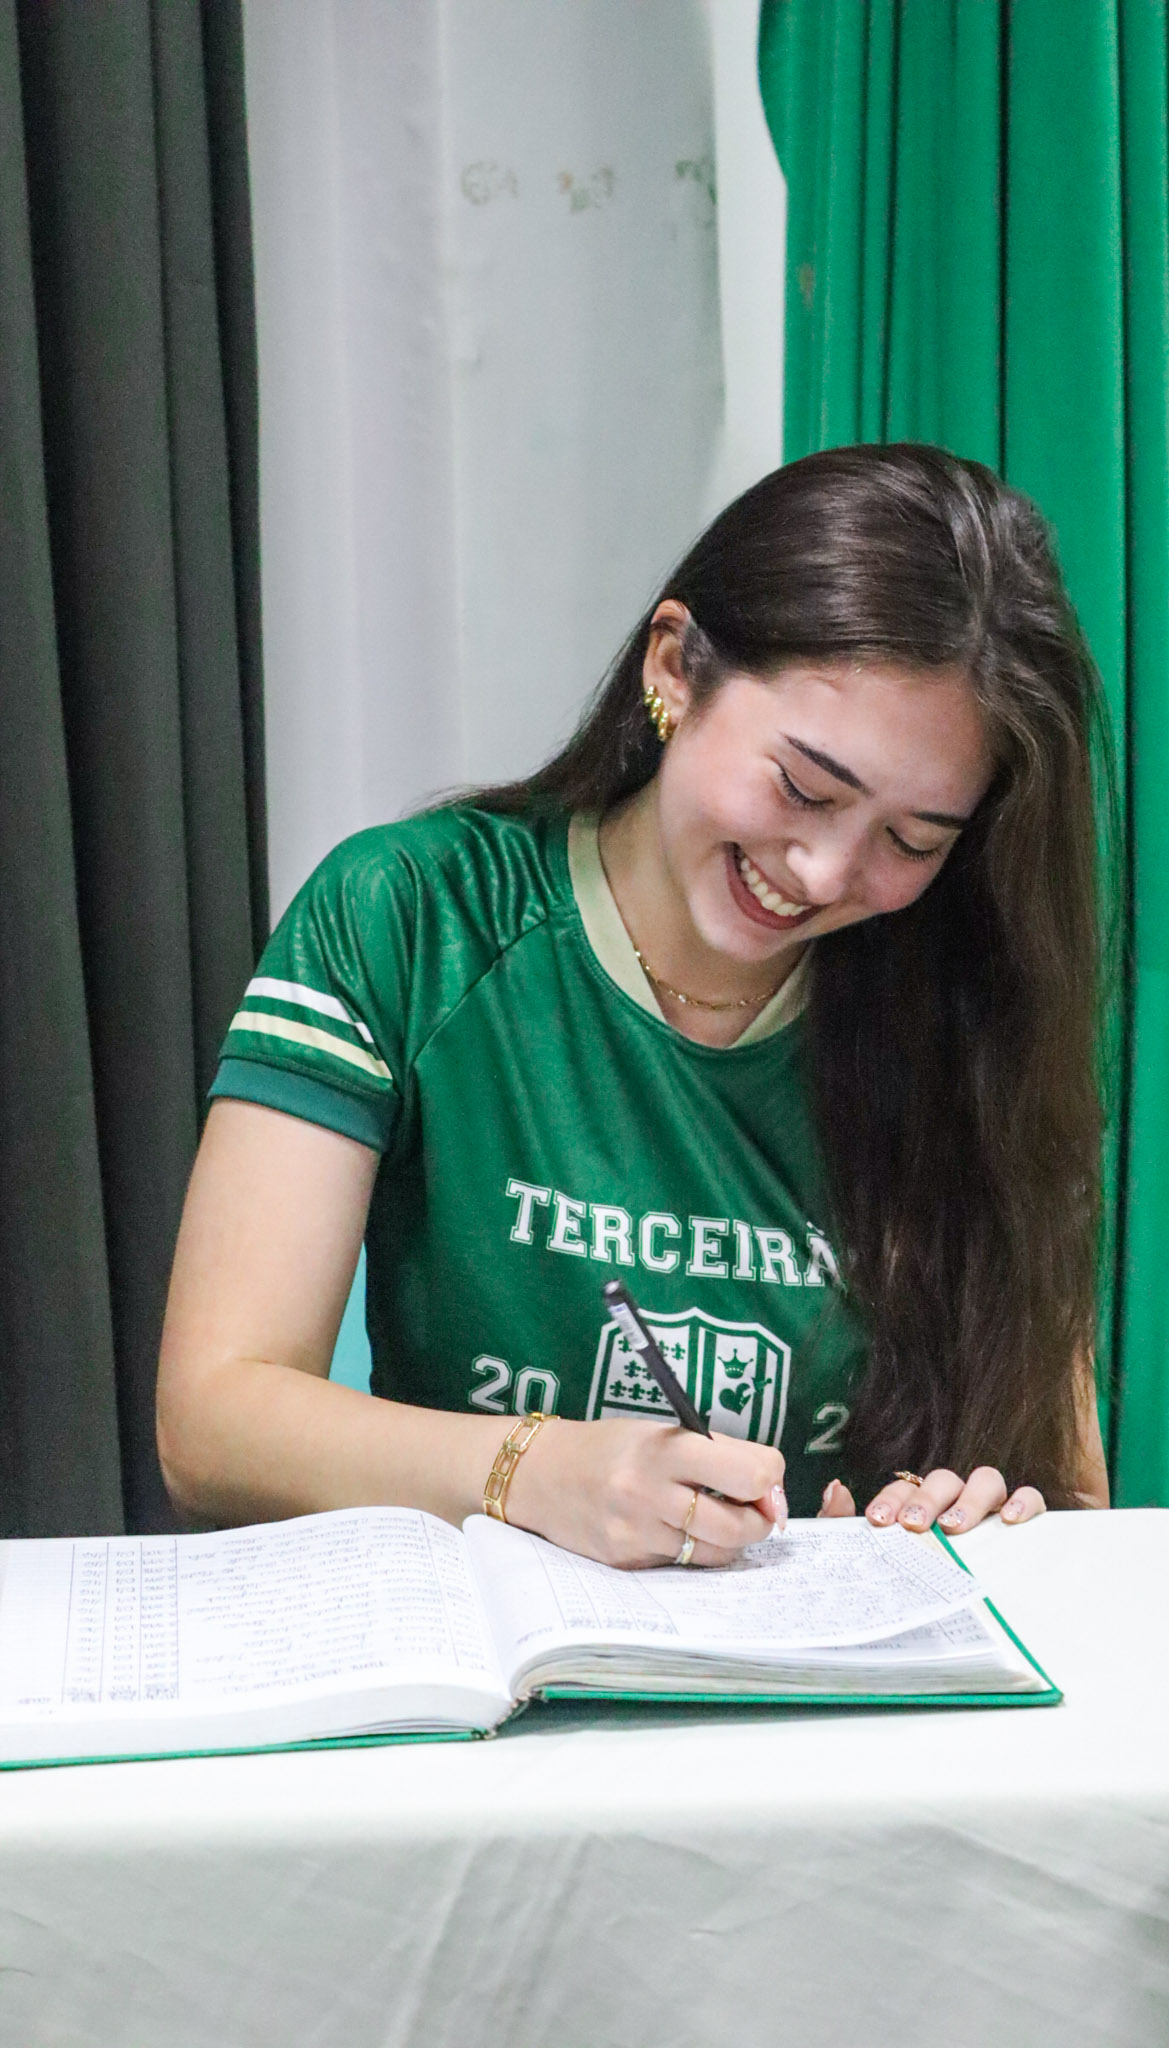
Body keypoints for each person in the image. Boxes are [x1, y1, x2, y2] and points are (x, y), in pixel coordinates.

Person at [157, 443, 1111, 1570]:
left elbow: (1071, 1494)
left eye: (911, 840)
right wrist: (531, 1470)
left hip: (810, 1663)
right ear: (674, 668)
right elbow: (212, 1419)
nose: (822, 872)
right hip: (480, 1643)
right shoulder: (415, 918)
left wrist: (981, 1513)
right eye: (803, 786)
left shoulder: (964, 1015)